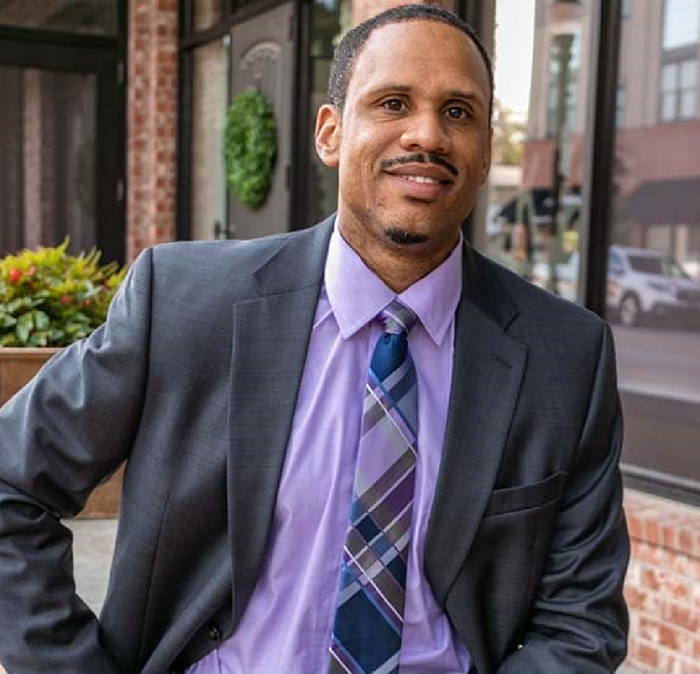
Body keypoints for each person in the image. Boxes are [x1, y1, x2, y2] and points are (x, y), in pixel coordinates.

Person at [0, 5, 629, 674]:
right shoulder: (185, 303)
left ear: (481, 158)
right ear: (330, 133)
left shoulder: (565, 356)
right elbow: (11, 483)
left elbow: (581, 617)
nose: (427, 134)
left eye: (459, 113)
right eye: (393, 103)